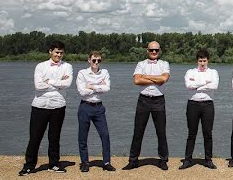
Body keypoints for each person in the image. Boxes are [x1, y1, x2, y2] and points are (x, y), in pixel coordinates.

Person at [20, 41, 73, 176]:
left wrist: (48, 81)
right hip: (40, 106)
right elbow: (38, 86)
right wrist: (57, 83)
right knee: (35, 137)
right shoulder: (40, 66)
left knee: (54, 137)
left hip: (58, 105)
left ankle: (54, 164)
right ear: (50, 51)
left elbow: (67, 84)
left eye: (61, 53)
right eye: (56, 52)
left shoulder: (68, 67)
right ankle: (29, 165)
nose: (59, 55)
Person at [123, 41, 170, 171]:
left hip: (158, 101)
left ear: (159, 51)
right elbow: (137, 80)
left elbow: (164, 79)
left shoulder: (164, 64)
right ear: (147, 50)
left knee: (161, 132)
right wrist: (156, 78)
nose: (154, 52)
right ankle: (133, 160)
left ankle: (163, 160)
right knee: (138, 131)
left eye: (156, 50)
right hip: (143, 100)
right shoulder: (141, 64)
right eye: (151, 50)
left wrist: (146, 77)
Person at [75, 51, 114, 172]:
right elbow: (82, 92)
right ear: (89, 60)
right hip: (85, 107)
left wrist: (91, 86)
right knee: (83, 136)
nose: (96, 63)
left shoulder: (105, 72)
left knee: (105, 135)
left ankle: (106, 162)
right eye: (94, 60)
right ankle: (85, 162)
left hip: (99, 108)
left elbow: (107, 88)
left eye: (99, 60)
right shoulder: (82, 73)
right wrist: (99, 86)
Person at [180, 49, 219, 170]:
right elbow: (188, 85)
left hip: (208, 104)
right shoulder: (190, 72)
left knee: (208, 133)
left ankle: (208, 160)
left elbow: (214, 86)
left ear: (208, 60)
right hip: (193, 104)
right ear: (197, 60)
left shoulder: (213, 72)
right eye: (200, 60)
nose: (202, 63)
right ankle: (187, 160)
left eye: (204, 61)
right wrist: (204, 83)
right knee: (192, 133)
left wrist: (196, 84)